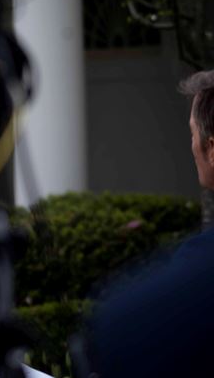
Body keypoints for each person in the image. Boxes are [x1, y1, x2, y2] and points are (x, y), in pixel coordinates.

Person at [85, 69, 214, 377]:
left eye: (192, 134)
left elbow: (115, 336)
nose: (191, 146)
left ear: (212, 149)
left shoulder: (193, 275)